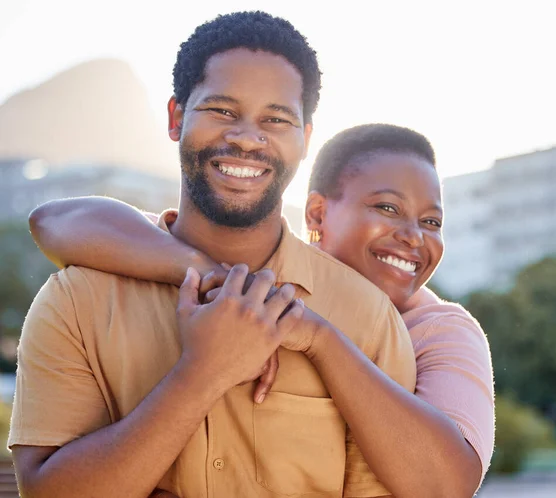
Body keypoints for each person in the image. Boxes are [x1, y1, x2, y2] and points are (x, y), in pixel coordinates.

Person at [9, 12, 424, 498]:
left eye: (276, 118)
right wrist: (202, 373)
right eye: (223, 111)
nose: (247, 138)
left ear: (305, 140)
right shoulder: (76, 300)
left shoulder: (365, 318)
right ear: (176, 118)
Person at [25, 123, 495, 496]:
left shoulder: (439, 330)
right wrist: (216, 277)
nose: (414, 235)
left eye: (431, 221)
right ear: (315, 215)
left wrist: (317, 337)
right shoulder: (242, 275)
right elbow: (55, 221)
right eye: (388, 209)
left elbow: (445, 483)